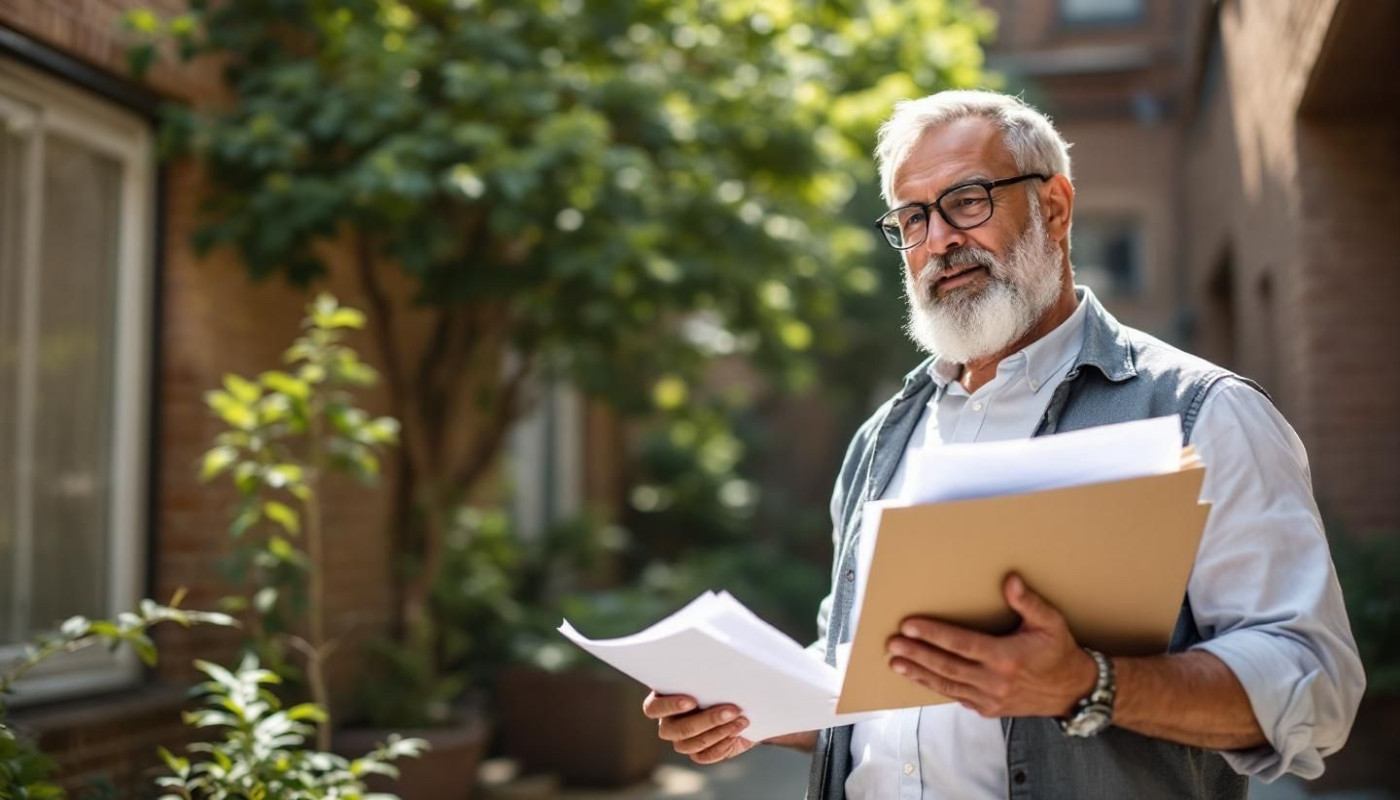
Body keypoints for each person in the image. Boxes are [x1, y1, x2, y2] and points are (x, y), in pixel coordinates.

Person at [640, 90, 1365, 799]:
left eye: (968, 200)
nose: (940, 240)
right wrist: (754, 709)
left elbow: (1316, 690)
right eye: (912, 218)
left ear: (1054, 206)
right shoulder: (880, 439)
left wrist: (1087, 683)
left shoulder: (1202, 413)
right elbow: (863, 686)